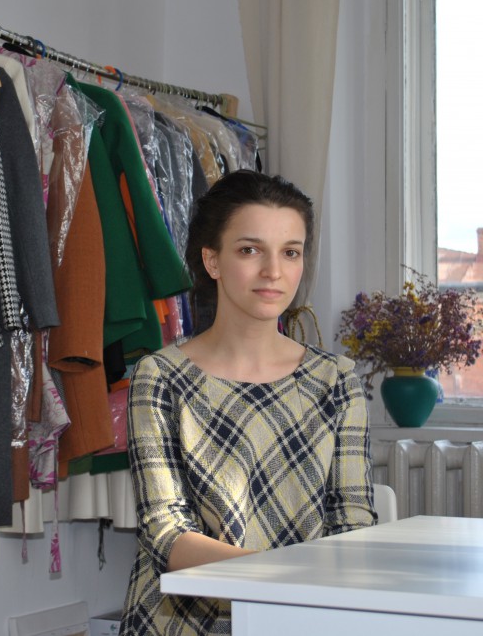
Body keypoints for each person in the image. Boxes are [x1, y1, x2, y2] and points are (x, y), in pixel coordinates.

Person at [120, 170, 375, 635]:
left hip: (303, 619)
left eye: (290, 252)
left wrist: (290, 594)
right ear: (212, 261)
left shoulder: (336, 381)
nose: (273, 271)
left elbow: (353, 524)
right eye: (250, 250)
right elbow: (166, 533)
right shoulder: (160, 377)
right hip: (185, 622)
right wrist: (284, 580)